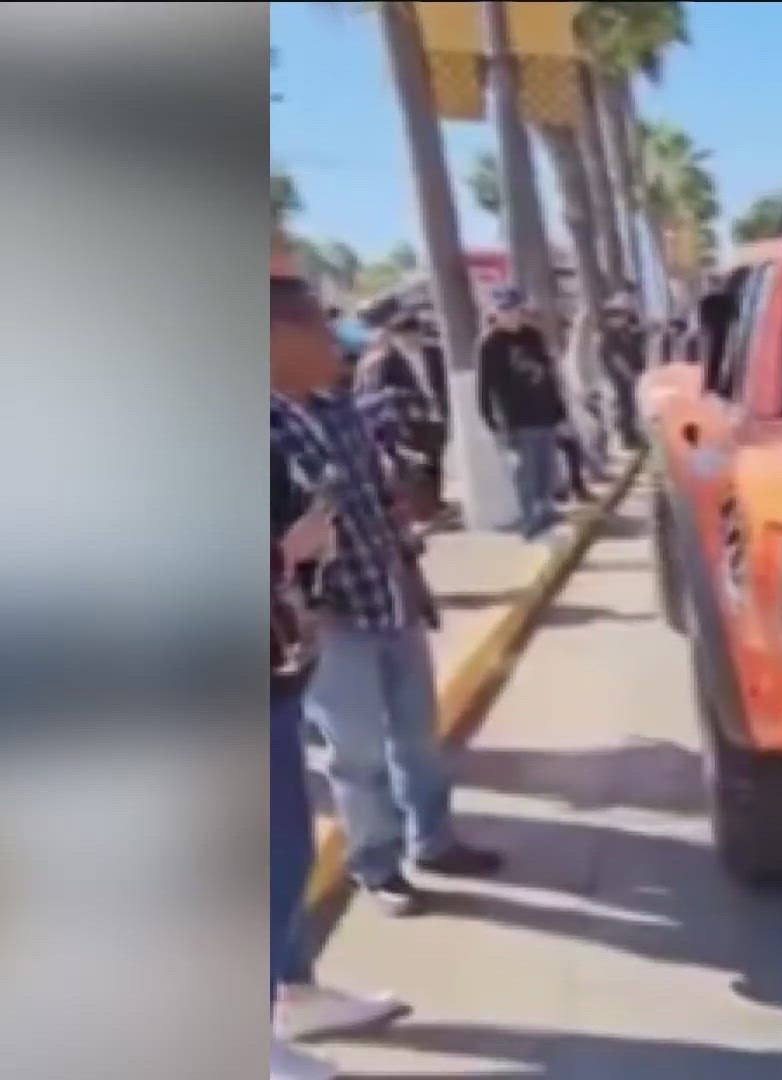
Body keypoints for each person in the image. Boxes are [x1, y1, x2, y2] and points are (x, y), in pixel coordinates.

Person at [273, 277, 502, 922]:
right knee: (357, 755)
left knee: (418, 738)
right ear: (279, 340)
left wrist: (401, 504)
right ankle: (377, 864)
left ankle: (434, 840)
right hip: (331, 620)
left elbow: (375, 497)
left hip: (389, 598)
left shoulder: (342, 408)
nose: (337, 344)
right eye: (322, 330)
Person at [270, 238, 411, 1079]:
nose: (337, 346)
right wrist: (289, 552)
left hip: (276, 664)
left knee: (285, 843)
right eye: (321, 327)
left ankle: (292, 990)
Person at [477, 288, 569, 538]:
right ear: (495, 312)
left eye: (515, 309)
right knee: (525, 474)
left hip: (544, 415)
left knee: (547, 470)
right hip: (517, 420)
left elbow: (549, 377)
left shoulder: (532, 336)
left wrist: (560, 413)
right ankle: (530, 521)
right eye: (505, 310)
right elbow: (485, 388)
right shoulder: (490, 344)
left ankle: (547, 514)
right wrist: (492, 422)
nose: (511, 315)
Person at [354, 311, 449, 516]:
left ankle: (436, 501)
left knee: (436, 458)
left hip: (437, 413)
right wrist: (404, 401)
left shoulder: (434, 353)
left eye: (412, 335)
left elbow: (444, 381)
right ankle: (424, 508)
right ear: (394, 338)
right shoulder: (387, 361)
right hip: (407, 420)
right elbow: (380, 391)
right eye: (403, 337)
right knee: (417, 465)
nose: (409, 340)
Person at [600, 296, 645, 450]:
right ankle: (628, 437)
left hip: (631, 377)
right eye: (623, 314)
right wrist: (629, 375)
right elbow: (616, 358)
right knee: (624, 406)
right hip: (619, 379)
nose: (626, 318)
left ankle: (633, 434)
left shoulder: (627, 332)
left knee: (632, 407)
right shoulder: (610, 336)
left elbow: (636, 351)